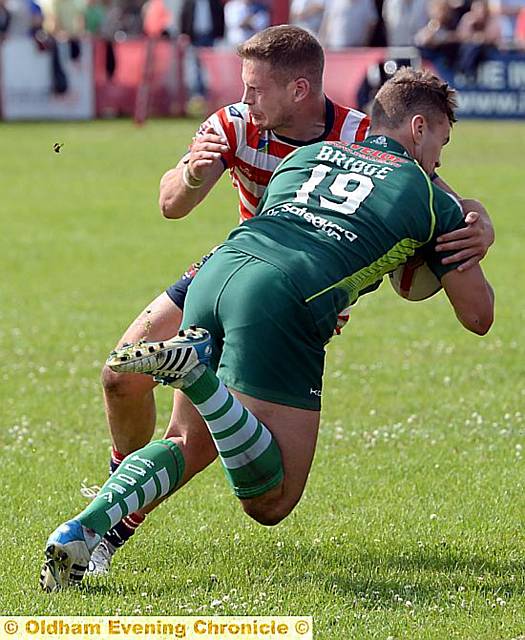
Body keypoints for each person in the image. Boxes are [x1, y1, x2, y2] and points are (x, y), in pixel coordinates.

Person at [40, 67, 495, 591]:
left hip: (216, 271)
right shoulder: (430, 197)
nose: (440, 157)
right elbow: (478, 317)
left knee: (187, 441)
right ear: (420, 127)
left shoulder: (306, 155)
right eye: (442, 140)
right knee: (271, 499)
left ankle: (83, 531)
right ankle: (200, 380)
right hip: (284, 298)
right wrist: (460, 240)